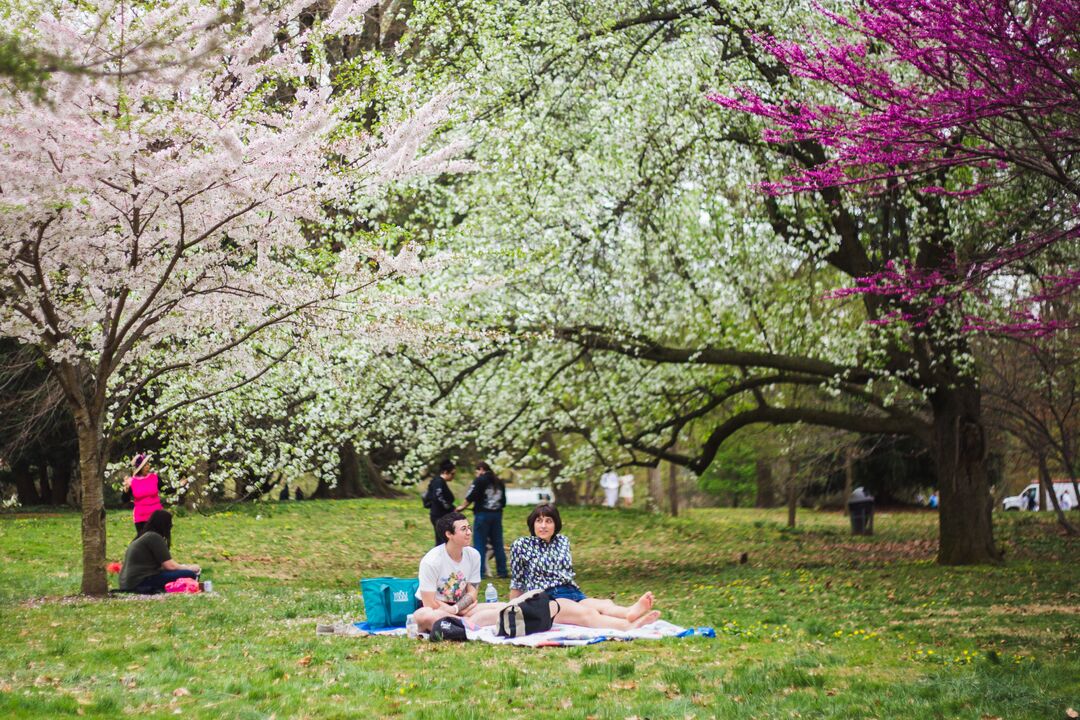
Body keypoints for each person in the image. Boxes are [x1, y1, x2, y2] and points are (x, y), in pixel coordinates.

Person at [413, 513, 660, 636]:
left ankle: (628, 616)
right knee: (426, 614)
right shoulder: (432, 561)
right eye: (464, 529)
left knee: (599, 604)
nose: (469, 532)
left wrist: (458, 608)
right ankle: (628, 624)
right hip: (441, 606)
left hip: (461, 608)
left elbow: (472, 592)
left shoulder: (473, 555)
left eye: (549, 521)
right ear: (449, 534)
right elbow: (428, 604)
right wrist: (454, 610)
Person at [509, 503, 655, 622]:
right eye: (539, 521)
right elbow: (518, 581)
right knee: (588, 613)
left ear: (556, 524)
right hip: (547, 596)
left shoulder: (562, 541)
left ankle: (629, 612)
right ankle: (628, 625)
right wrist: (511, 608)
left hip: (572, 591)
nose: (543, 526)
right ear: (532, 524)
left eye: (549, 521)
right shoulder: (522, 545)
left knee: (604, 604)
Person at [117, 510, 201, 594]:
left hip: (128, 583)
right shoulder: (154, 537)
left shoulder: (144, 537)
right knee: (189, 574)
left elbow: (163, 566)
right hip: (140, 582)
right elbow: (170, 566)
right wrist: (189, 568)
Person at [457, 461, 508, 578]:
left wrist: (461, 507)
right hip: (496, 515)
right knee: (498, 543)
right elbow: (503, 502)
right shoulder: (499, 482)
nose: (476, 474)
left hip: (482, 515)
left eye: (477, 471)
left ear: (480, 469)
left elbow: (471, 496)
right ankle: (502, 571)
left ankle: (479, 572)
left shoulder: (480, 480)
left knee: (480, 543)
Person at [123, 453, 164, 541]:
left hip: (156, 516)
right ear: (140, 468)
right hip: (141, 518)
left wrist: (180, 485)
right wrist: (126, 490)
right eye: (145, 465)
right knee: (144, 542)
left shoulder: (155, 477)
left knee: (158, 541)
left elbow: (166, 490)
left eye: (148, 464)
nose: (147, 467)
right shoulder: (132, 481)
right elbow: (124, 500)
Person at [423, 459, 457, 546]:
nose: (453, 476)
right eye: (452, 474)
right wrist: (450, 508)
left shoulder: (440, 482)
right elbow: (439, 497)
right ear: (445, 472)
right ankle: (438, 559)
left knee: (443, 540)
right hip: (438, 516)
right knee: (442, 542)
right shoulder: (438, 481)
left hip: (440, 515)